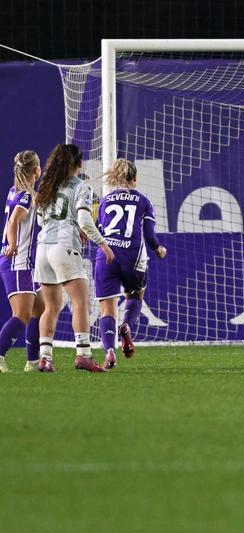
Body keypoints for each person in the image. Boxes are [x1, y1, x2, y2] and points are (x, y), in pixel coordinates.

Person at [32, 144, 115, 372]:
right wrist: (104, 245)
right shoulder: (81, 187)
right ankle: (83, 355)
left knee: (51, 307)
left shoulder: (46, 186)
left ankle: (45, 358)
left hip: (42, 250)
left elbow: (40, 221)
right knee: (80, 302)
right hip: (64, 246)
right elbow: (85, 221)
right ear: (78, 164)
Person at [94, 159, 167, 369]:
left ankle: (109, 352)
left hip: (106, 256)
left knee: (106, 309)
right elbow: (150, 235)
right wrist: (158, 249)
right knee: (135, 295)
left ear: (116, 178)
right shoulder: (143, 201)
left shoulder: (105, 201)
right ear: (134, 179)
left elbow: (99, 231)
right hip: (132, 257)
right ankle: (126, 323)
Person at [0, 151, 44, 372]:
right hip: (17, 262)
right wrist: (13, 245)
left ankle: (33, 362)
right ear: (36, 170)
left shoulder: (15, 191)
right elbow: (14, 221)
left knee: (40, 307)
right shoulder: (26, 196)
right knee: (23, 314)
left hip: (24, 263)